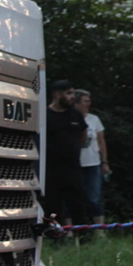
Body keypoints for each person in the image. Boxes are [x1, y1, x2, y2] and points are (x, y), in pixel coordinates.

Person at [43, 79, 90, 228]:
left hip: (73, 168)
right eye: (69, 93)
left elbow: (83, 135)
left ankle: (84, 237)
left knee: (78, 203)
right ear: (57, 94)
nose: (72, 97)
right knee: (53, 206)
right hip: (51, 169)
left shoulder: (75, 115)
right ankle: (55, 236)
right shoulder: (45, 115)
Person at [74, 90, 110, 226]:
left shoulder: (94, 119)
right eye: (85, 101)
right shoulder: (70, 118)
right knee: (73, 198)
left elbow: (101, 142)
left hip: (93, 163)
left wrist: (104, 161)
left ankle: (99, 229)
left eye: (89, 101)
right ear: (76, 103)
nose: (88, 104)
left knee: (94, 198)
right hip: (75, 164)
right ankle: (71, 230)